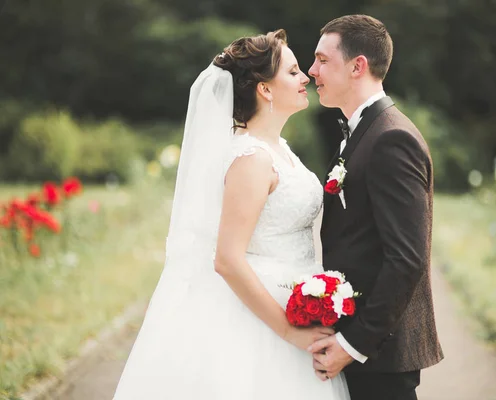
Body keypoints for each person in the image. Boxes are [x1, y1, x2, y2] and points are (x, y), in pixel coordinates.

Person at [112, 29, 350, 400]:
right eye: (291, 72)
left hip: (294, 299)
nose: (305, 77)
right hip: (260, 318)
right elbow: (227, 259)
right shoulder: (252, 159)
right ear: (265, 89)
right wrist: (287, 332)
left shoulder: (279, 148)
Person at [306, 15, 444, 400]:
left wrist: (353, 345)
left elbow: (406, 259)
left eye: (322, 60)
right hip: (363, 344)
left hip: (380, 352)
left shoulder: (392, 138)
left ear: (357, 66)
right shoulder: (361, 131)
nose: (311, 70)